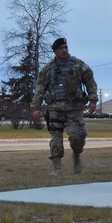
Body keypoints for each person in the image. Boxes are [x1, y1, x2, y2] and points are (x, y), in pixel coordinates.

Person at [31, 37, 98, 175]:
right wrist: (36, 106)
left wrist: (93, 99)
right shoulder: (48, 69)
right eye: (61, 48)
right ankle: (56, 168)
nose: (64, 50)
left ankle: (76, 154)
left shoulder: (78, 65)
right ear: (55, 51)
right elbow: (40, 88)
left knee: (78, 137)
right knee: (56, 139)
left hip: (74, 109)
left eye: (65, 47)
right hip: (55, 109)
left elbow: (90, 81)